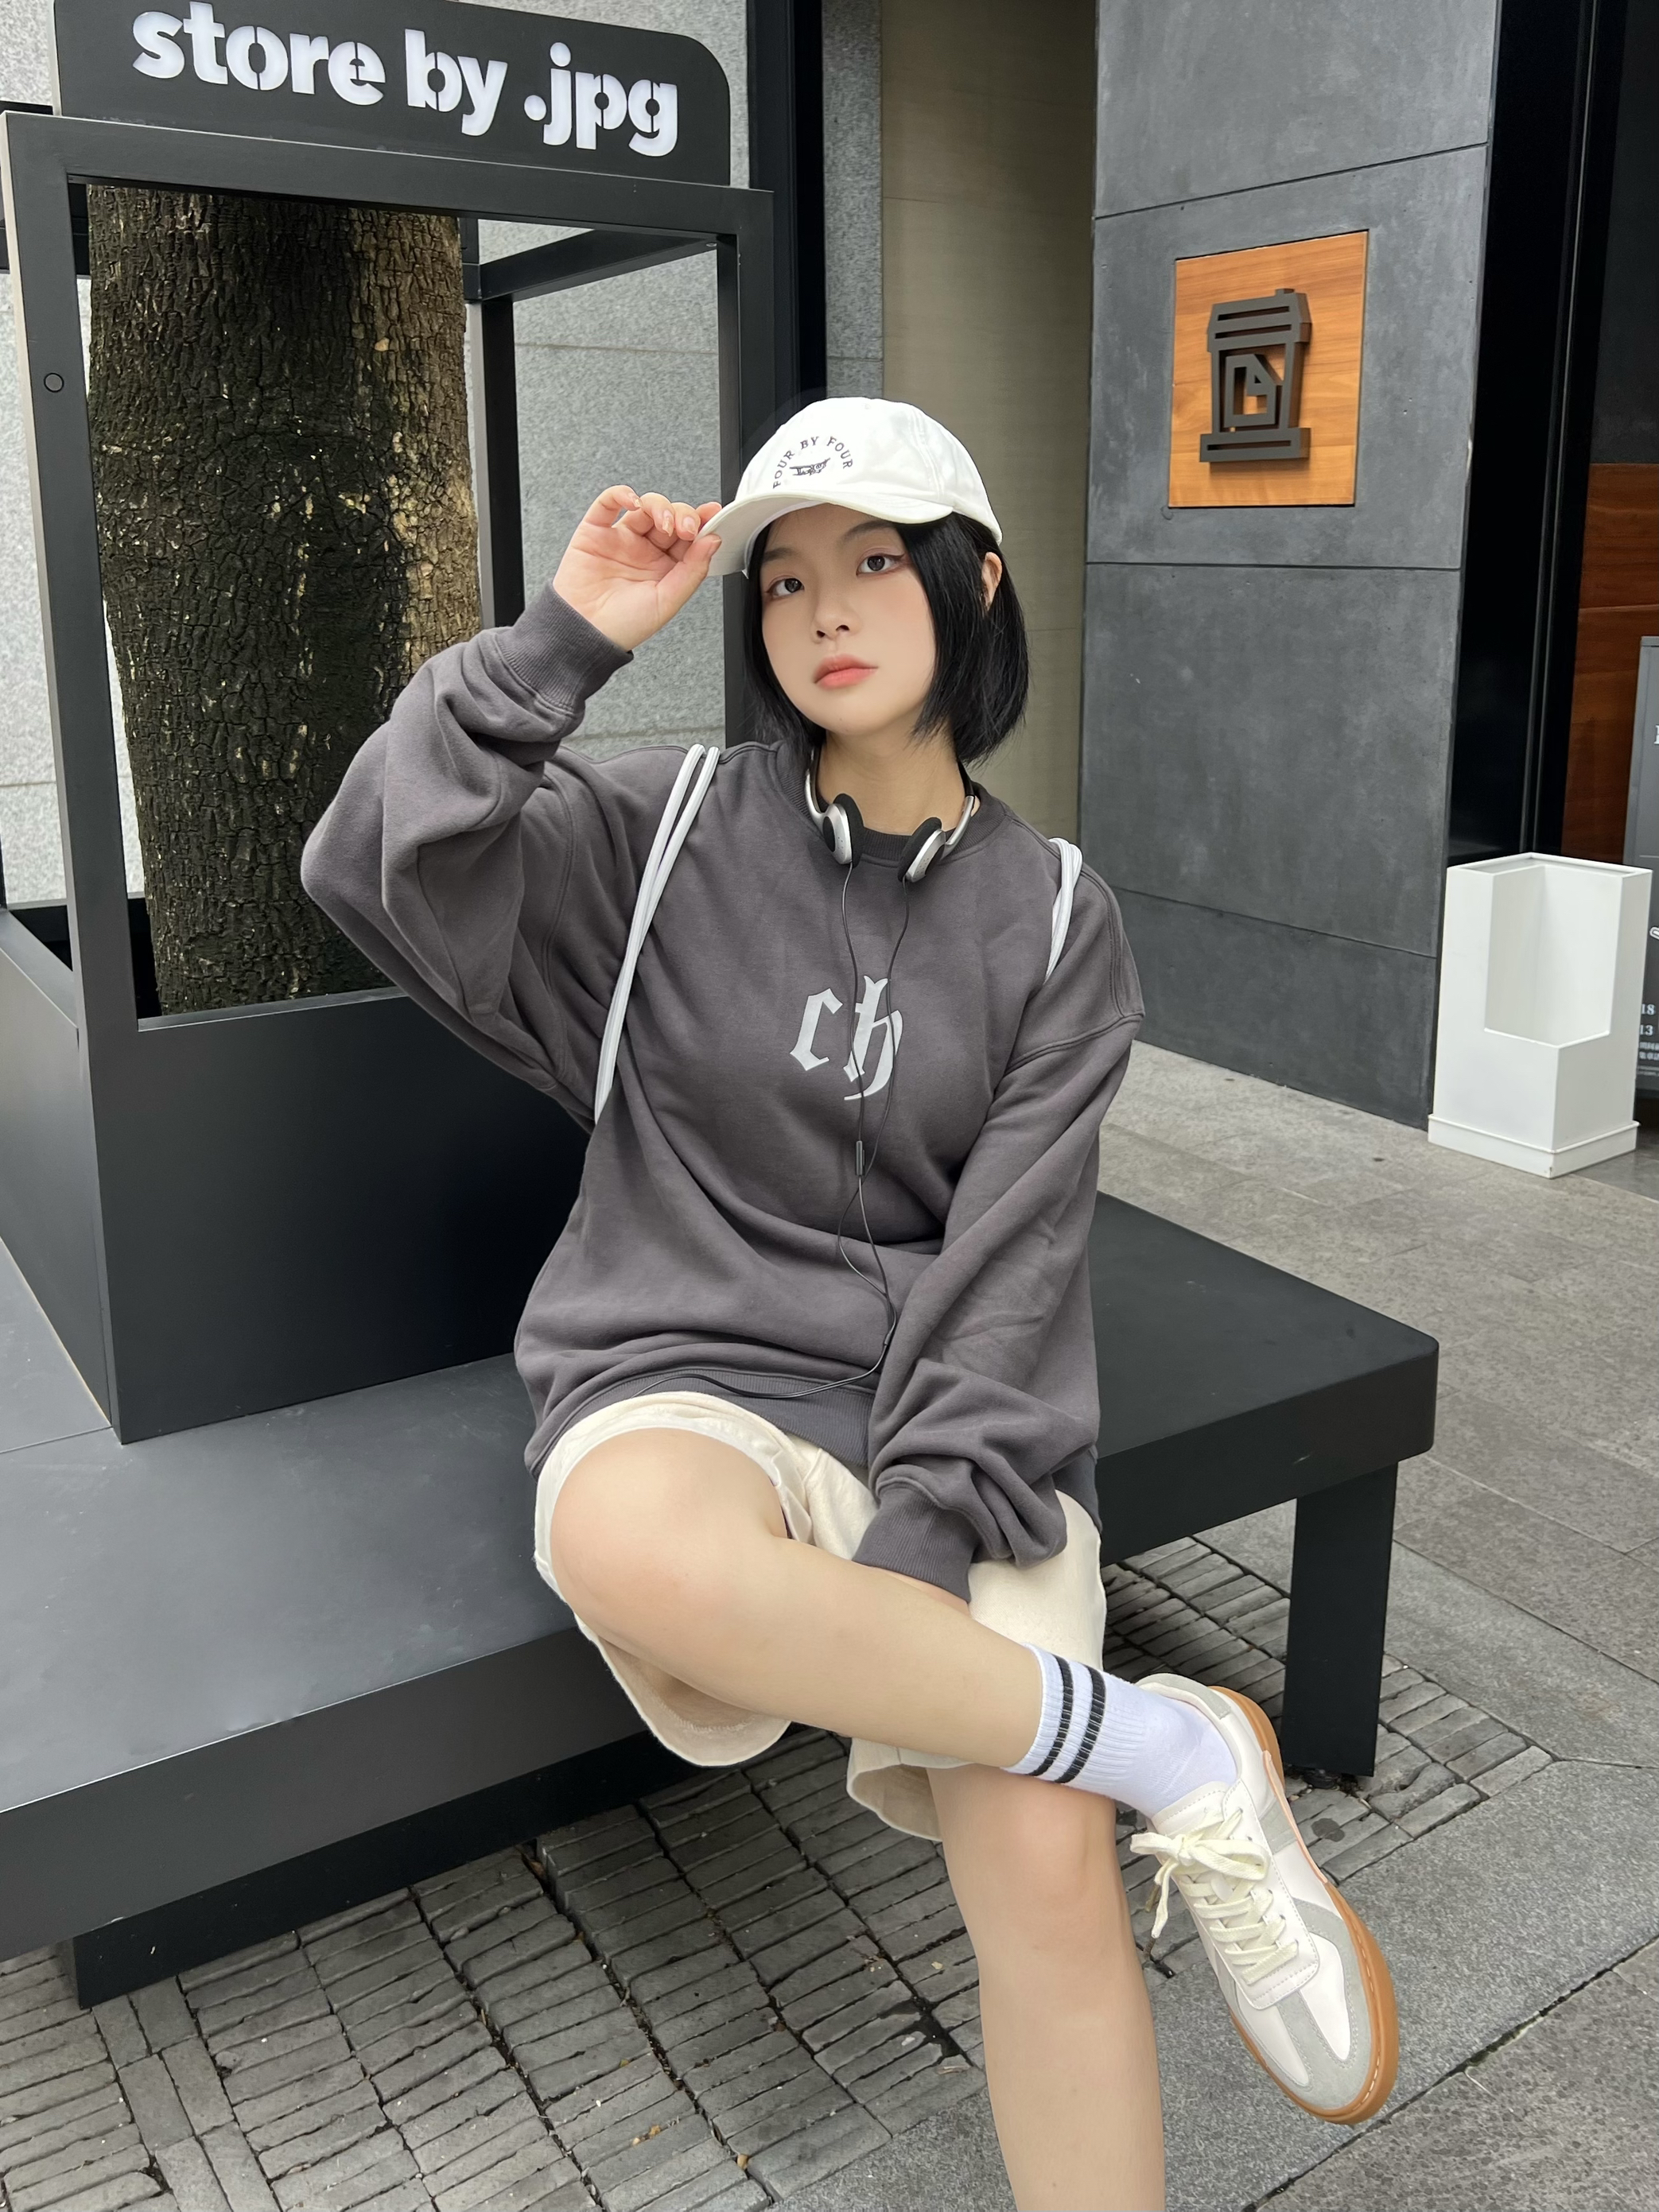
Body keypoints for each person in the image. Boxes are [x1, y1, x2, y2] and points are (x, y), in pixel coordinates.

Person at [302, 397, 1396, 2211]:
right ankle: (1172, 1747)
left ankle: (1110, 1779)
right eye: (786, 577)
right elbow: (370, 864)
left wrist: (913, 1557)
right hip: (682, 1368)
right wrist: (566, 638)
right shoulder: (656, 828)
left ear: (976, 584)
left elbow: (1013, 1266)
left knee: (1040, 1873)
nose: (824, 607)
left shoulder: (1058, 917)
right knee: (627, 1541)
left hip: (950, 1416)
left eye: (875, 560)